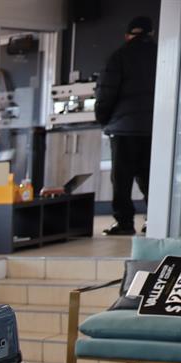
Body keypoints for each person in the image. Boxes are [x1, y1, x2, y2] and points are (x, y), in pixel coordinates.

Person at [95, 16, 158, 235]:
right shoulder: (162, 55)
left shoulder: (119, 57)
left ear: (128, 35)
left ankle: (124, 223)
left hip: (124, 128)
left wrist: (103, 118)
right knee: (152, 177)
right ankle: (156, 220)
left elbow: (106, 92)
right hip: (155, 128)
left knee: (121, 179)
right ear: (151, 34)